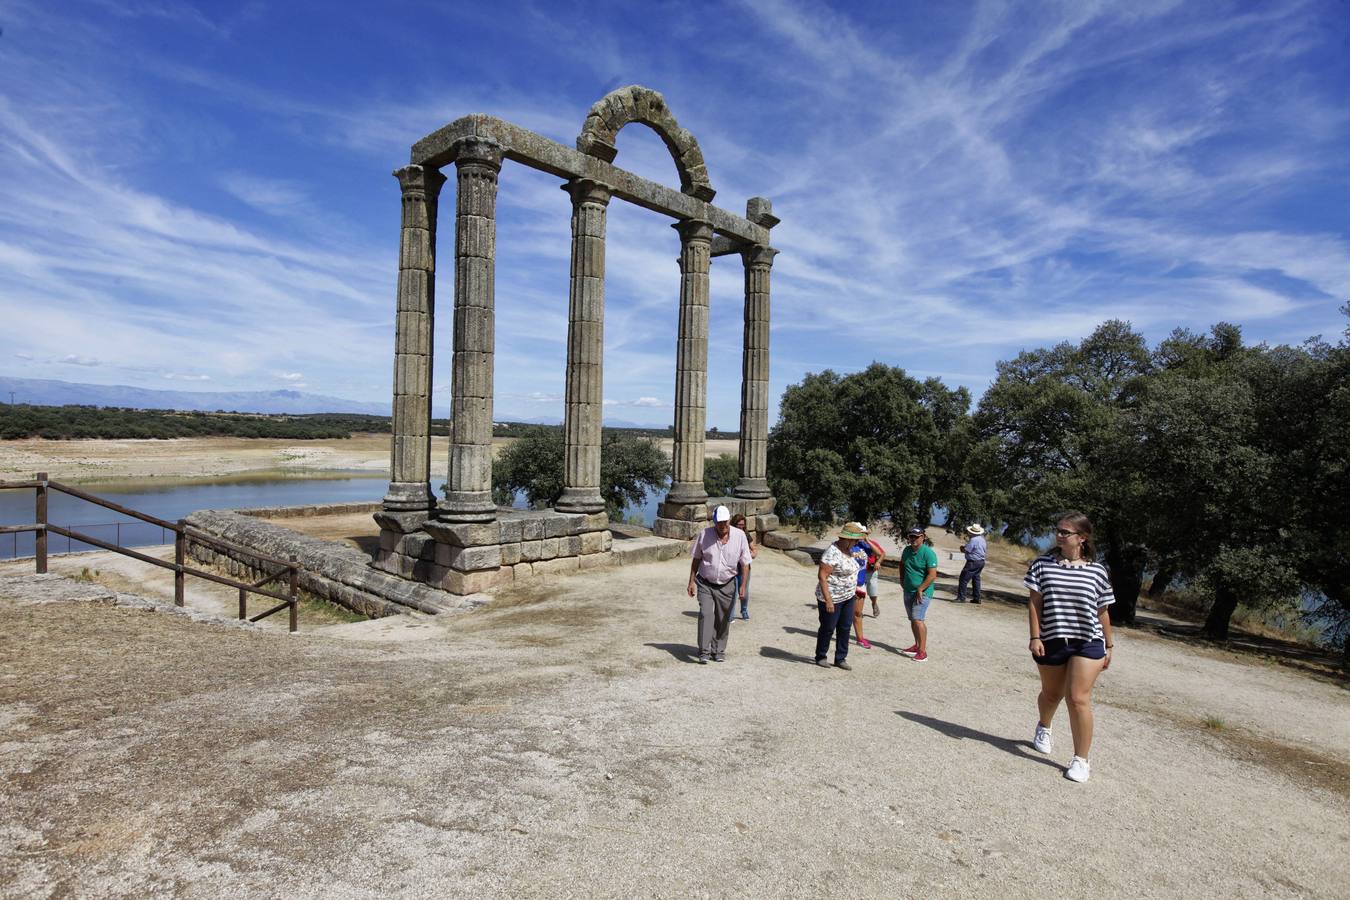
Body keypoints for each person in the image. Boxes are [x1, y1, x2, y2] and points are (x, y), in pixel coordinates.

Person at [1025, 511, 1115, 783]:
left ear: (1082, 538)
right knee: (1052, 695)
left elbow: (1102, 611)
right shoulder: (1042, 564)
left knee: (1078, 698)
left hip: (1088, 641)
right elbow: (1034, 603)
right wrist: (1035, 637)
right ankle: (1044, 726)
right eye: (1058, 530)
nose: (1059, 535)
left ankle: (1081, 760)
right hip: (1052, 639)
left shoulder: (1098, 571)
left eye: (1065, 532)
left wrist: (1109, 644)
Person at [686, 505, 752, 664]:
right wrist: (691, 581)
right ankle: (704, 651)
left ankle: (718, 650)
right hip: (706, 583)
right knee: (706, 615)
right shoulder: (704, 535)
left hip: (728, 583)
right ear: (714, 522)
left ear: (729, 520)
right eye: (719, 523)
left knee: (723, 619)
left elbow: (745, 564)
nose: (722, 526)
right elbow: (696, 559)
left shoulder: (740, 536)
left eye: (725, 522)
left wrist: (743, 586)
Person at [815, 522, 866, 670]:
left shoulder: (849, 550)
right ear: (847, 539)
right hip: (832, 596)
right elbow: (822, 577)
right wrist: (828, 601)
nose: (857, 543)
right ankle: (821, 656)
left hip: (848, 596)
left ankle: (840, 658)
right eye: (856, 540)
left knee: (845, 627)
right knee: (828, 627)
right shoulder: (832, 552)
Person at [899, 525, 938, 662]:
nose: (913, 539)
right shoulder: (907, 550)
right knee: (912, 620)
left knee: (918, 619)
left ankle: (922, 651)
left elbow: (932, 575)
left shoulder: (928, 553)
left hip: (923, 592)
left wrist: (921, 589)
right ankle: (916, 645)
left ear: (923, 537)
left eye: (916, 536)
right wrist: (901, 579)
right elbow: (902, 565)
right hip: (908, 590)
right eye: (911, 536)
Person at [852, 526, 879, 649]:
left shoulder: (865, 546)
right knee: (841, 613)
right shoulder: (845, 545)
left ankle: (860, 638)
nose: (862, 535)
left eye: (863, 533)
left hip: (860, 583)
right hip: (846, 584)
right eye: (860, 533)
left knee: (858, 612)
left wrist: (867, 541)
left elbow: (879, 553)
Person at [729, 513, 759, 619]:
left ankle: (744, 610)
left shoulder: (746, 534)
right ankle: (730, 615)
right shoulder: (729, 534)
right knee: (732, 592)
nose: (741, 527)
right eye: (739, 525)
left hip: (744, 568)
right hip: (732, 568)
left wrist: (751, 555)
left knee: (744, 592)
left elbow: (754, 549)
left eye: (743, 525)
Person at [956, 523, 987, 603]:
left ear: (972, 532)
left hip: (973, 562)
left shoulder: (973, 540)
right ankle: (977, 598)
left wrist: (962, 548)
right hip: (981, 561)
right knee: (976, 579)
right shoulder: (982, 539)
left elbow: (967, 550)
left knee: (963, 579)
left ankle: (961, 598)